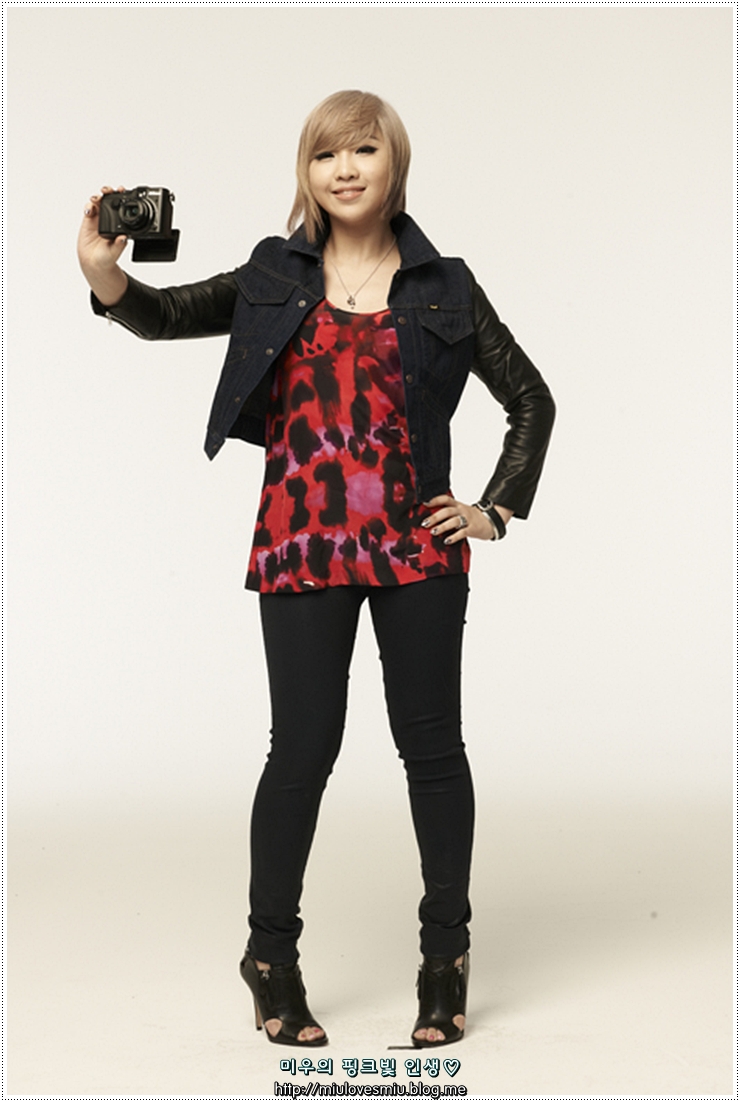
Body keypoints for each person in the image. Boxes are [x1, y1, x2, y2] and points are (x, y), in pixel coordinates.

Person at [77, 90, 555, 1050]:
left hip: (418, 549)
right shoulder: (271, 275)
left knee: (433, 752)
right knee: (301, 751)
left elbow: (531, 399)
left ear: (393, 165)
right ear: (307, 171)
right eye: (326, 154)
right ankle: (270, 959)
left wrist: (493, 510)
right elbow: (165, 314)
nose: (345, 169)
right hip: (302, 543)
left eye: (364, 150)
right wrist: (104, 275)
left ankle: (445, 958)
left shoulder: (446, 286)